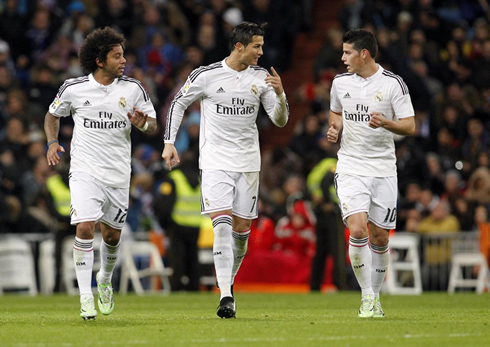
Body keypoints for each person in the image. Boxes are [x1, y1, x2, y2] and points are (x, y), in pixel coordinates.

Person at [162, 21, 289, 318]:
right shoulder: (207, 75)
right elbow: (178, 104)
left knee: (242, 231)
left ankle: (226, 280)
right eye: (257, 46)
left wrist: (281, 95)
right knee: (222, 224)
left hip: (247, 163)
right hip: (216, 161)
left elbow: (280, 120)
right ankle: (226, 296)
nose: (261, 51)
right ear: (239, 46)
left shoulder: (261, 78)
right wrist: (169, 142)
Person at [44, 27, 157, 320]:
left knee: (112, 237)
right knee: (84, 227)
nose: (123, 61)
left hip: (118, 174)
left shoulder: (134, 89)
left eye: (123, 55)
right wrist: (53, 142)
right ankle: (85, 298)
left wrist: (142, 124)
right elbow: (52, 115)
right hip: (84, 171)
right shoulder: (74, 88)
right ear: (99, 60)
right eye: (116, 56)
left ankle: (105, 280)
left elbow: (153, 125)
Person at [327, 29, 415, 318]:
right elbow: (336, 112)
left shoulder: (393, 84)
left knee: (379, 237)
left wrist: (386, 123)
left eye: (347, 52)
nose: (342, 58)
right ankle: (366, 297)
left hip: (383, 169)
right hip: (351, 166)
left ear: (364, 53)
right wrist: (335, 127)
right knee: (358, 229)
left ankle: (375, 297)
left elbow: (409, 126)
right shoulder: (340, 83)